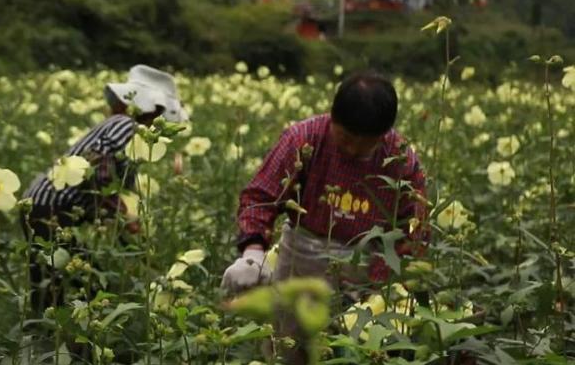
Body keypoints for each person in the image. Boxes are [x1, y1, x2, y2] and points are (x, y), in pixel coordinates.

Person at [221, 72, 427, 299]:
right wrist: (253, 253)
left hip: (366, 273)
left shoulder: (400, 160)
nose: (352, 150)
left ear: (384, 134)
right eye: (346, 138)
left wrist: (381, 286)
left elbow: (415, 230)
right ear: (332, 118)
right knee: (288, 332)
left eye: (366, 144)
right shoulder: (304, 139)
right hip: (301, 260)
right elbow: (260, 197)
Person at [22, 65, 188, 313]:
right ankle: (54, 339)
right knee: (68, 279)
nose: (159, 123)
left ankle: (54, 336)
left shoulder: (131, 134)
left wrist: (127, 228)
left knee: (62, 276)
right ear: (153, 109)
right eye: (160, 115)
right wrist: (119, 212)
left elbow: (119, 186)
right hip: (48, 207)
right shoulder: (126, 125)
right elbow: (98, 164)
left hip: (44, 205)